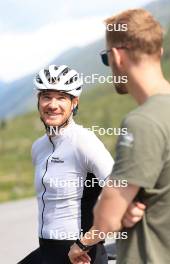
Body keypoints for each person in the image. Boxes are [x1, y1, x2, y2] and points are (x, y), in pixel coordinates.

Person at [68, 8, 170, 264]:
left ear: (117, 57)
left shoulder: (141, 122)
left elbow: (107, 218)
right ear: (158, 52)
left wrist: (79, 245)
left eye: (106, 58)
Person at [18, 64, 145, 264]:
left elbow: (121, 191)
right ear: (38, 101)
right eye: (46, 96)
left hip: (80, 255)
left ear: (74, 102)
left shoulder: (83, 141)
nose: (52, 104)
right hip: (47, 250)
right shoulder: (39, 147)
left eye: (61, 97)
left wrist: (85, 242)